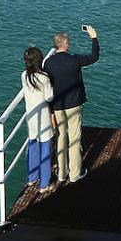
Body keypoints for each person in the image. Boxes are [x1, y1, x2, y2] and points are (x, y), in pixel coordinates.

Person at [44, 25, 99, 184]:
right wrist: (94, 37)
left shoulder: (48, 63)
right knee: (74, 139)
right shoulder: (75, 60)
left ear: (56, 45)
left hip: (57, 105)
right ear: (66, 45)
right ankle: (75, 174)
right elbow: (94, 57)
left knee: (61, 137)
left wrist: (50, 109)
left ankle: (62, 173)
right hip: (74, 104)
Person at [20, 46, 55, 191]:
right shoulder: (44, 77)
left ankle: (32, 178)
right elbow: (49, 97)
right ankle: (44, 184)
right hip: (44, 118)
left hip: (31, 116)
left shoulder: (24, 75)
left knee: (33, 145)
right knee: (45, 148)